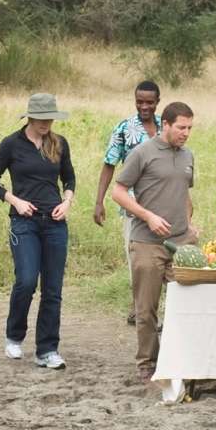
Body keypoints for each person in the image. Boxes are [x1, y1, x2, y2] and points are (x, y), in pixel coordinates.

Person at [0, 92, 77, 370]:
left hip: (55, 222)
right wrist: (15, 200)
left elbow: (69, 177)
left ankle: (47, 350)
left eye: (50, 118)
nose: (46, 123)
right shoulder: (11, 144)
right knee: (26, 280)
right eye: (40, 118)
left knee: (53, 288)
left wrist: (67, 202)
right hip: (24, 222)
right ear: (30, 117)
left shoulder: (59, 144)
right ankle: (14, 335)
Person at [107, 101, 197, 383]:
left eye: (190, 128)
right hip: (147, 241)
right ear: (166, 125)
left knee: (188, 302)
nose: (186, 133)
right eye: (181, 127)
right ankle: (147, 362)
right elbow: (119, 193)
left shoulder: (187, 156)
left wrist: (189, 223)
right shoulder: (142, 153)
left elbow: (183, 193)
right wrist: (148, 217)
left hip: (182, 241)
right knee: (146, 308)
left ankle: (181, 357)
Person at [94, 80, 161, 326]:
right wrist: (99, 201)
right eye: (139, 101)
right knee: (138, 260)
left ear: (157, 102)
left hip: (163, 204)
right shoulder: (124, 128)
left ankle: (152, 310)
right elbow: (109, 164)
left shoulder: (167, 125)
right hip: (134, 205)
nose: (144, 106)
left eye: (149, 102)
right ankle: (139, 310)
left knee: (163, 260)